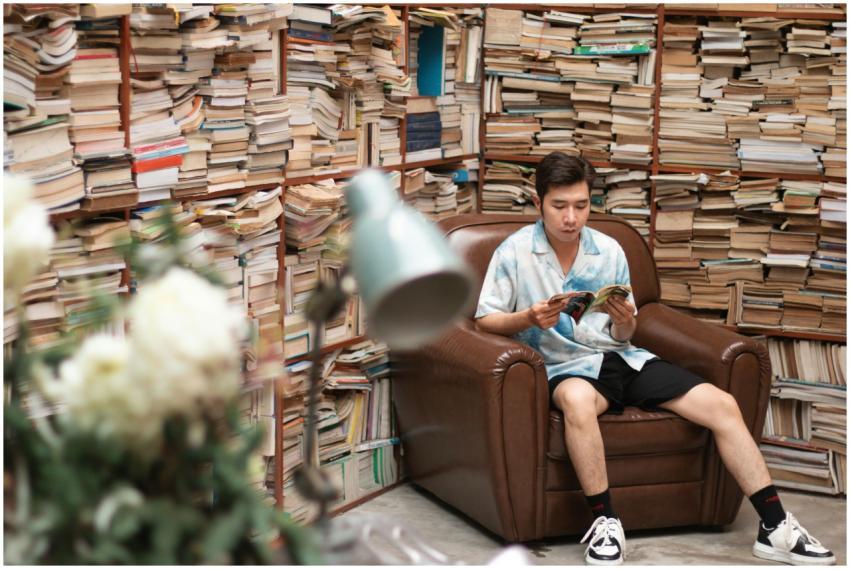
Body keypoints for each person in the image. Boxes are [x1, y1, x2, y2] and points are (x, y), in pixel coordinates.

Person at [474, 152, 835, 566]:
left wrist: (625, 321)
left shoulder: (609, 250)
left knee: (722, 404)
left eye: (581, 205)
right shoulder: (514, 251)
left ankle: (775, 526)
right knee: (576, 400)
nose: (571, 218)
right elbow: (485, 319)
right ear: (539, 203)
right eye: (559, 206)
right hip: (563, 366)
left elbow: (625, 334)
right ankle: (606, 523)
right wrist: (527, 318)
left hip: (620, 358)